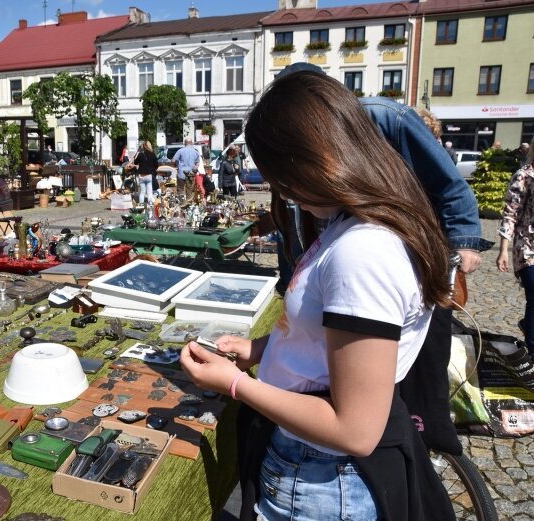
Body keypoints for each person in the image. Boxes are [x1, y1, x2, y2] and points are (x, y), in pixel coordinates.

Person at [181, 70, 455, 521]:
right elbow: (336, 346)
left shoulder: (362, 251)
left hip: (322, 479)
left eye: (283, 179)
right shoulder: (353, 227)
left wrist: (234, 385)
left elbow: (354, 430)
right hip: (315, 469)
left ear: (313, 161)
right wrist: (258, 350)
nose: (284, 194)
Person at [498, 138, 534, 359]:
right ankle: (532, 353)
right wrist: (504, 250)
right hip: (528, 246)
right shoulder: (525, 175)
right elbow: (511, 214)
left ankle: (528, 326)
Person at [133, 141, 157, 205]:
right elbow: (156, 165)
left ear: (143, 147)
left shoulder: (141, 154)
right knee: (149, 192)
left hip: (141, 175)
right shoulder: (153, 154)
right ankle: (150, 205)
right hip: (149, 175)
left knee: (142, 192)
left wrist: (138, 154)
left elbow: (135, 162)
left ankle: (141, 205)